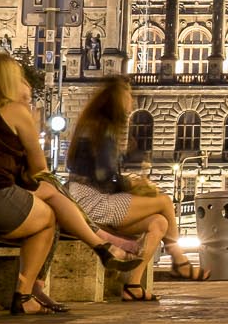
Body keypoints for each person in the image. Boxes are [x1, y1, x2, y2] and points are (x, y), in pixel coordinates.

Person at [0, 52, 141, 316]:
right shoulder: (14, 110)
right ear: (10, 80)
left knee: (50, 195)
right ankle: (29, 291)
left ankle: (99, 246)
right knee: (49, 217)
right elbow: (39, 169)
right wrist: (30, 115)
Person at [62, 77, 210, 301]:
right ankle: (179, 260)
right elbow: (104, 175)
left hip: (91, 196)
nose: (131, 99)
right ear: (115, 99)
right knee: (164, 201)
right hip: (90, 200)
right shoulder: (101, 128)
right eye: (127, 95)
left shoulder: (96, 125)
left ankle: (133, 285)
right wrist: (133, 183)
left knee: (159, 223)